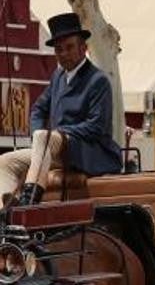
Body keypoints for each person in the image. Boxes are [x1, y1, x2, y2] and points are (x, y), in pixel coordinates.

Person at [0, 12, 122, 205]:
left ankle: (28, 204)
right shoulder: (58, 77)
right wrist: (38, 135)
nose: (63, 53)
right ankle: (4, 215)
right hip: (55, 148)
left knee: (44, 137)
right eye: (58, 49)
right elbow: (38, 109)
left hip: (88, 151)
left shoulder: (98, 80)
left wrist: (58, 134)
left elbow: (96, 127)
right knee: (5, 161)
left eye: (69, 47)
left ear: (83, 48)